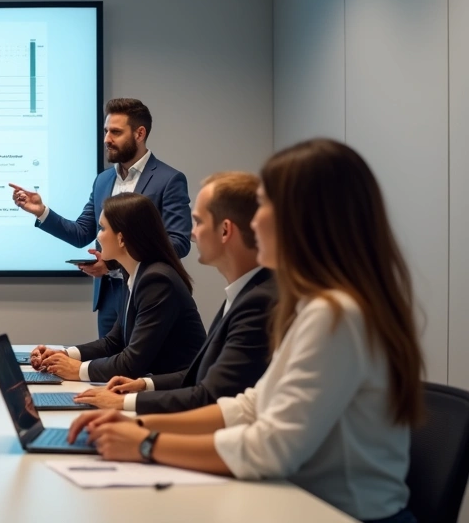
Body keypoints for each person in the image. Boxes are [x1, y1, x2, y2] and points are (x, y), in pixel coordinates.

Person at [68, 139, 422, 523]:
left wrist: (147, 442)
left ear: (301, 219)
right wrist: (137, 423)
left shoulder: (335, 315)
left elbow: (268, 448)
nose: (253, 221)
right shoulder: (316, 305)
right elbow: (249, 406)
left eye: (265, 205)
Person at [74, 172, 276, 413]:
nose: (191, 233)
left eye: (199, 222)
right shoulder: (241, 294)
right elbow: (200, 378)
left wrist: (133, 417)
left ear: (224, 231)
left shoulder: (256, 301)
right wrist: (144, 385)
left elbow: (210, 397)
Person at [11, 98, 192, 337]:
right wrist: (42, 212)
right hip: (108, 297)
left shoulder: (169, 180)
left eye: (116, 132)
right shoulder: (103, 180)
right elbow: (81, 233)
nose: (107, 139)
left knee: (139, 369)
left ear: (140, 133)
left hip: (149, 294)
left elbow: (178, 242)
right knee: (107, 367)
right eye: (106, 131)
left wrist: (113, 263)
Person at [29, 193, 206, 383]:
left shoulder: (157, 280)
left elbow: (131, 364)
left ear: (121, 239)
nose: (97, 235)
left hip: (179, 393)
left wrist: (78, 370)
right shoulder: (135, 273)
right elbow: (114, 342)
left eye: (102, 228)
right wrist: (64, 355)